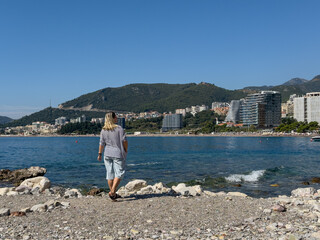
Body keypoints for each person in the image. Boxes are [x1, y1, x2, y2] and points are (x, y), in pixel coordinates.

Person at [97, 112, 128, 201]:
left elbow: (101, 143)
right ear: (112, 118)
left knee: (110, 173)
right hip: (118, 153)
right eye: (116, 117)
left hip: (107, 154)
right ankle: (113, 192)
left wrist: (99, 153)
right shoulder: (119, 128)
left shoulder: (103, 130)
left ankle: (112, 194)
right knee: (119, 173)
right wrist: (126, 150)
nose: (117, 118)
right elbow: (124, 141)